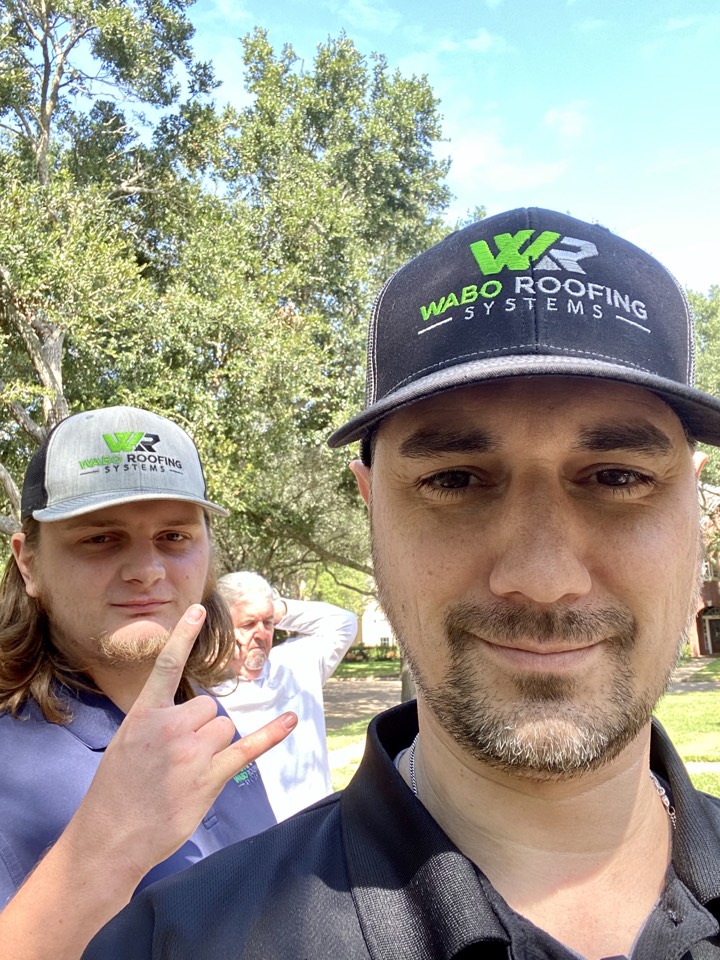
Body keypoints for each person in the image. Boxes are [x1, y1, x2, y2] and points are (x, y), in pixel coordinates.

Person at [83, 208, 720, 960]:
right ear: (371, 507)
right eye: (454, 479)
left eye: (617, 477)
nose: (544, 579)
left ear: (695, 503)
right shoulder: (178, 943)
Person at [0, 405, 297, 960]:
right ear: (29, 564)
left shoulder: (200, 709)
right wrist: (108, 846)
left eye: (174, 536)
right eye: (100, 538)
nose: (147, 570)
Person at [214, 571, 357, 820]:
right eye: (248, 624)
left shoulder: (297, 663)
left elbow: (344, 623)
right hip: (260, 834)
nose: (261, 634)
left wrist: (276, 609)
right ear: (222, 629)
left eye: (267, 623)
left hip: (319, 824)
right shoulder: (207, 692)